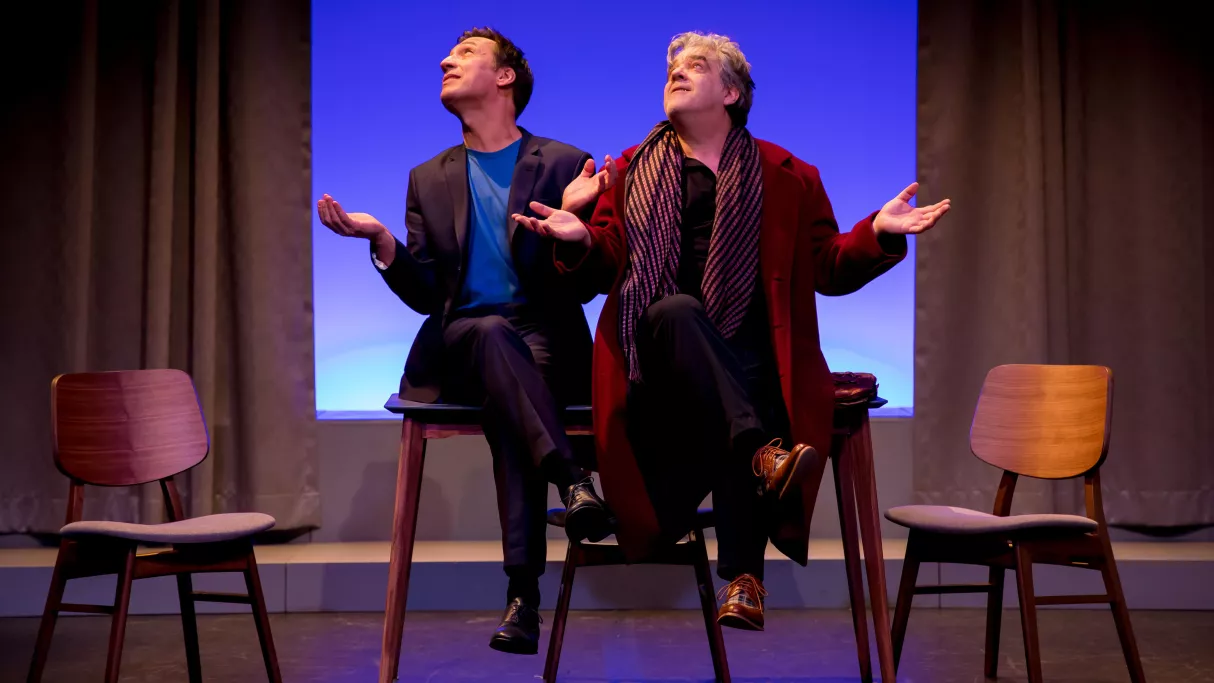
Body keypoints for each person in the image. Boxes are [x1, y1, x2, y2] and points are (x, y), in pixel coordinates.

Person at [514, 31, 950, 631]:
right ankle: (759, 483)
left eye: (695, 66)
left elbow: (825, 265)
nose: (676, 73)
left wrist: (877, 231)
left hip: (742, 371)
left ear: (732, 92)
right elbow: (605, 265)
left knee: (738, 382)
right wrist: (581, 232)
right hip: (654, 369)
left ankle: (743, 575)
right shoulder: (630, 169)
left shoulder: (787, 175)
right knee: (677, 311)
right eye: (672, 67)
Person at [316, 27, 617, 655]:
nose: (445, 61)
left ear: (505, 77)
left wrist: (576, 232)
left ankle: (522, 599)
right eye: (448, 55)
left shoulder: (565, 164)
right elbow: (429, 294)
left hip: (542, 335)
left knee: (514, 404)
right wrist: (382, 242)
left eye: (465, 54)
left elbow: (589, 285)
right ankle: (572, 481)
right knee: (491, 338)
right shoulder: (428, 177)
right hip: (460, 339)